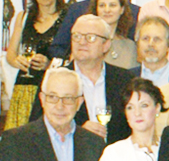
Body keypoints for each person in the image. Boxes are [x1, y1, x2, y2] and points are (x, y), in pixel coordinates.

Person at [27, 14, 136, 145]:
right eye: (77, 36)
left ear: (106, 45)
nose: (82, 42)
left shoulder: (125, 80)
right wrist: (76, 132)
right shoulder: (55, 79)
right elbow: (36, 128)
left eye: (90, 37)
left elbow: (135, 125)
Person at [4, 0, 66, 131]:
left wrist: (49, 64)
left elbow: (73, 56)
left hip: (54, 89)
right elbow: (10, 55)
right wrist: (17, 60)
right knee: (20, 138)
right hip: (25, 87)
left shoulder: (68, 18)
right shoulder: (23, 17)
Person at [90, 0, 137, 70]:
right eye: (102, 5)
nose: (107, 10)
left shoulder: (131, 47)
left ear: (121, 9)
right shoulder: (86, 43)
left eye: (112, 5)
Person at [136, 17, 169, 85]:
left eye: (157, 39)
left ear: (168, 45)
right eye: (146, 38)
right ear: (137, 43)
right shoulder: (126, 78)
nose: (150, 44)